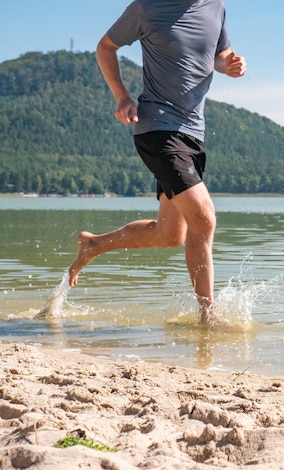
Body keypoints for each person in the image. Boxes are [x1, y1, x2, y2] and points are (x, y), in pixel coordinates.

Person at [68, 0, 246, 323]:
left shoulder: (216, 7)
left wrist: (228, 64)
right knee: (204, 219)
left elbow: (217, 54)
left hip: (193, 134)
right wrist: (121, 95)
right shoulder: (147, 8)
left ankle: (93, 245)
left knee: (170, 234)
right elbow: (105, 47)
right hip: (158, 129)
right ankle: (209, 317)